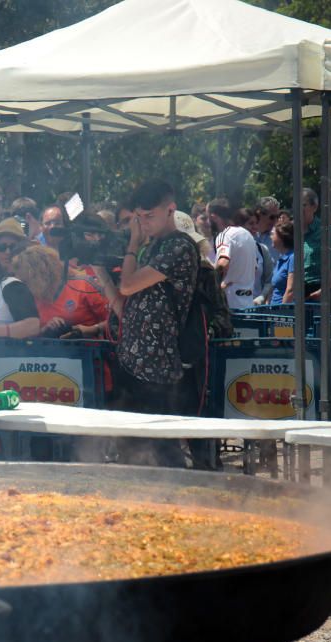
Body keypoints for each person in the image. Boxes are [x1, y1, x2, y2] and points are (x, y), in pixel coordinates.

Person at [93, 180, 198, 468]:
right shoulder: (154, 248)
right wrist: (100, 271)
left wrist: (132, 246)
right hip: (131, 360)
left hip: (158, 365)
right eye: (139, 217)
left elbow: (127, 285)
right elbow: (128, 307)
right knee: (132, 447)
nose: (143, 224)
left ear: (170, 211)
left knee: (162, 448)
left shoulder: (180, 247)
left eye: (149, 216)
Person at [11, 244, 108, 338]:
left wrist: (91, 329)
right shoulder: (30, 297)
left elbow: (116, 322)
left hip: (90, 350)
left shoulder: (83, 286)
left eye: (26, 281)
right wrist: (46, 330)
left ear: (41, 275)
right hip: (50, 351)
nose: (23, 287)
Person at [0, 219, 39, 338]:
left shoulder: (15, 285)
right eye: (2, 247)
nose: (8, 252)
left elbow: (32, 326)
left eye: (13, 247)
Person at [210, 199, 257, 310]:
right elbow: (254, 269)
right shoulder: (247, 235)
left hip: (230, 305)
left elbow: (223, 263)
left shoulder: (225, 235)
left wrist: (215, 286)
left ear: (213, 217)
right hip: (248, 306)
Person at [272, 219, 295, 304]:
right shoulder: (281, 259)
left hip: (283, 314)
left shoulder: (293, 258)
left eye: (273, 234)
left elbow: (290, 290)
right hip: (274, 312)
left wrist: (282, 310)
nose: (271, 237)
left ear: (281, 237)